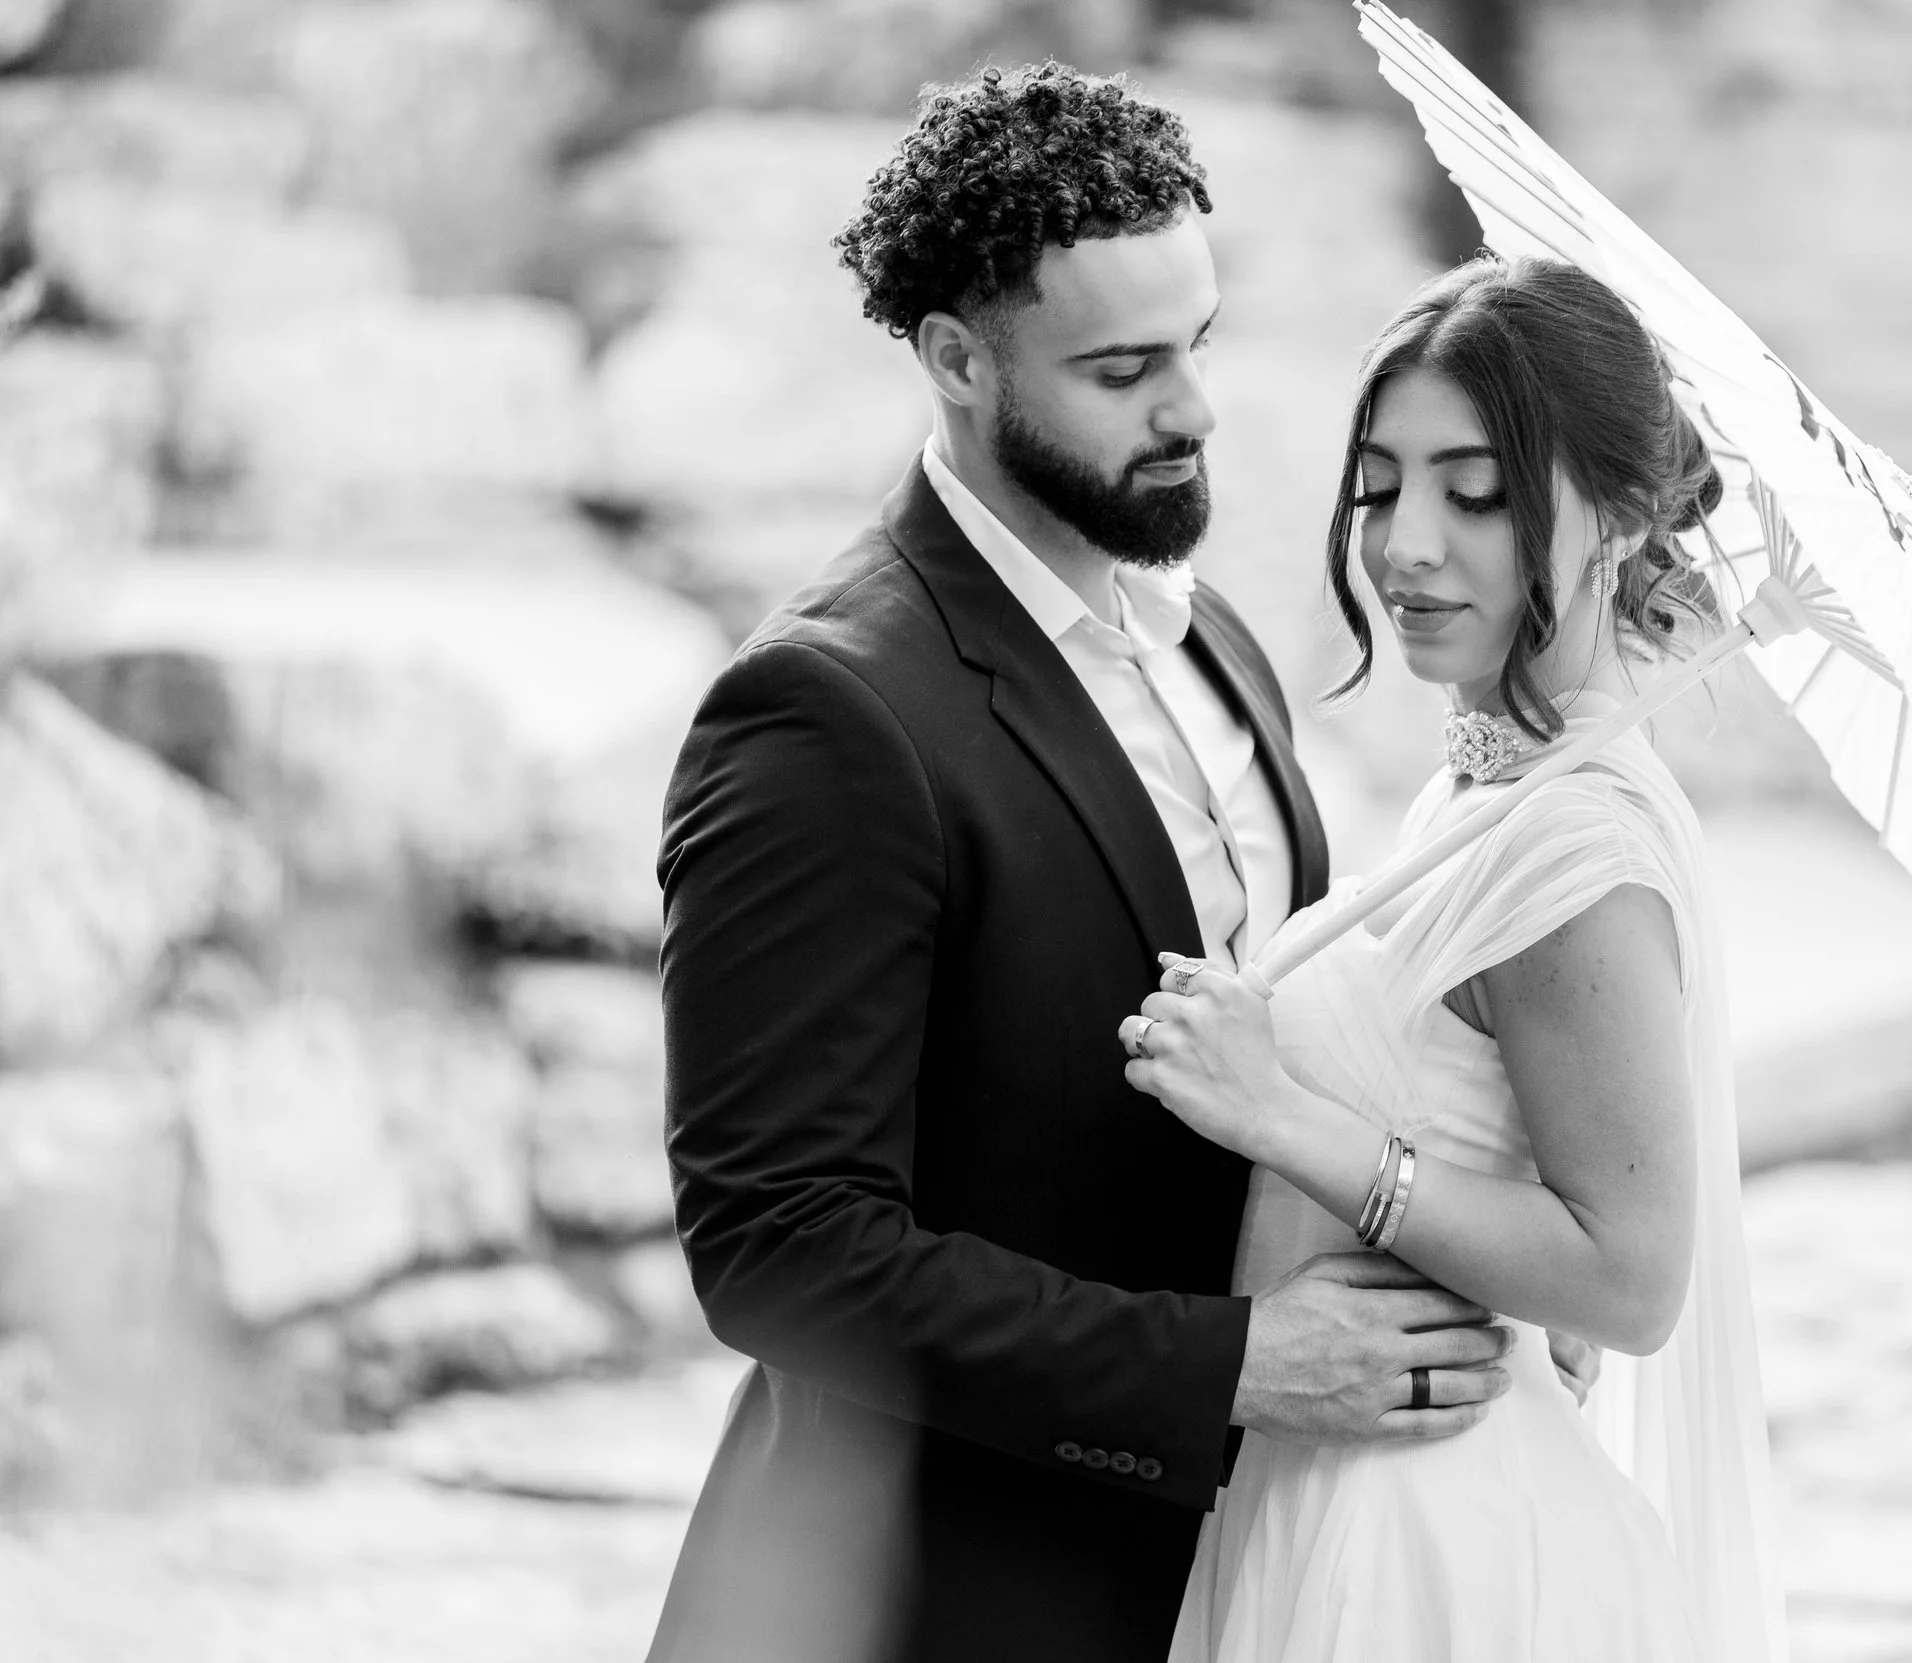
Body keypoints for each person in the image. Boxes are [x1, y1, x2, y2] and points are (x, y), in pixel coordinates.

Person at [644, 66, 1534, 1663]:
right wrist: (1236, 1367)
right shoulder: (826, 715)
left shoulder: (1219, 644)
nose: (1191, 410)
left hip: (1248, 1566)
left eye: (1198, 342)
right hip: (940, 1595)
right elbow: (779, 1250)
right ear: (957, 360)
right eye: (1123, 370)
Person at [1125, 254, 1790, 1662]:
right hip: (1343, 1466)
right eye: (1379, 486)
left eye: (1473, 493)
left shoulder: (1572, 854)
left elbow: (1629, 1277)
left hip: (1428, 1540)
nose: (1406, 544)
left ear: (1613, 515)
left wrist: (1287, 1116)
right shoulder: (1490, 788)